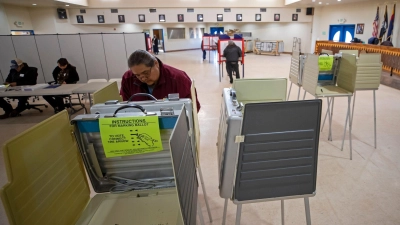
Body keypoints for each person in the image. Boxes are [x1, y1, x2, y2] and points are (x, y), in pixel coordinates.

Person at [120, 50, 200, 111]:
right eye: (137, 75)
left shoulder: (178, 79)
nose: (143, 78)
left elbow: (193, 109)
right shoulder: (128, 79)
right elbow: (125, 108)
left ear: (155, 64)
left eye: (146, 73)